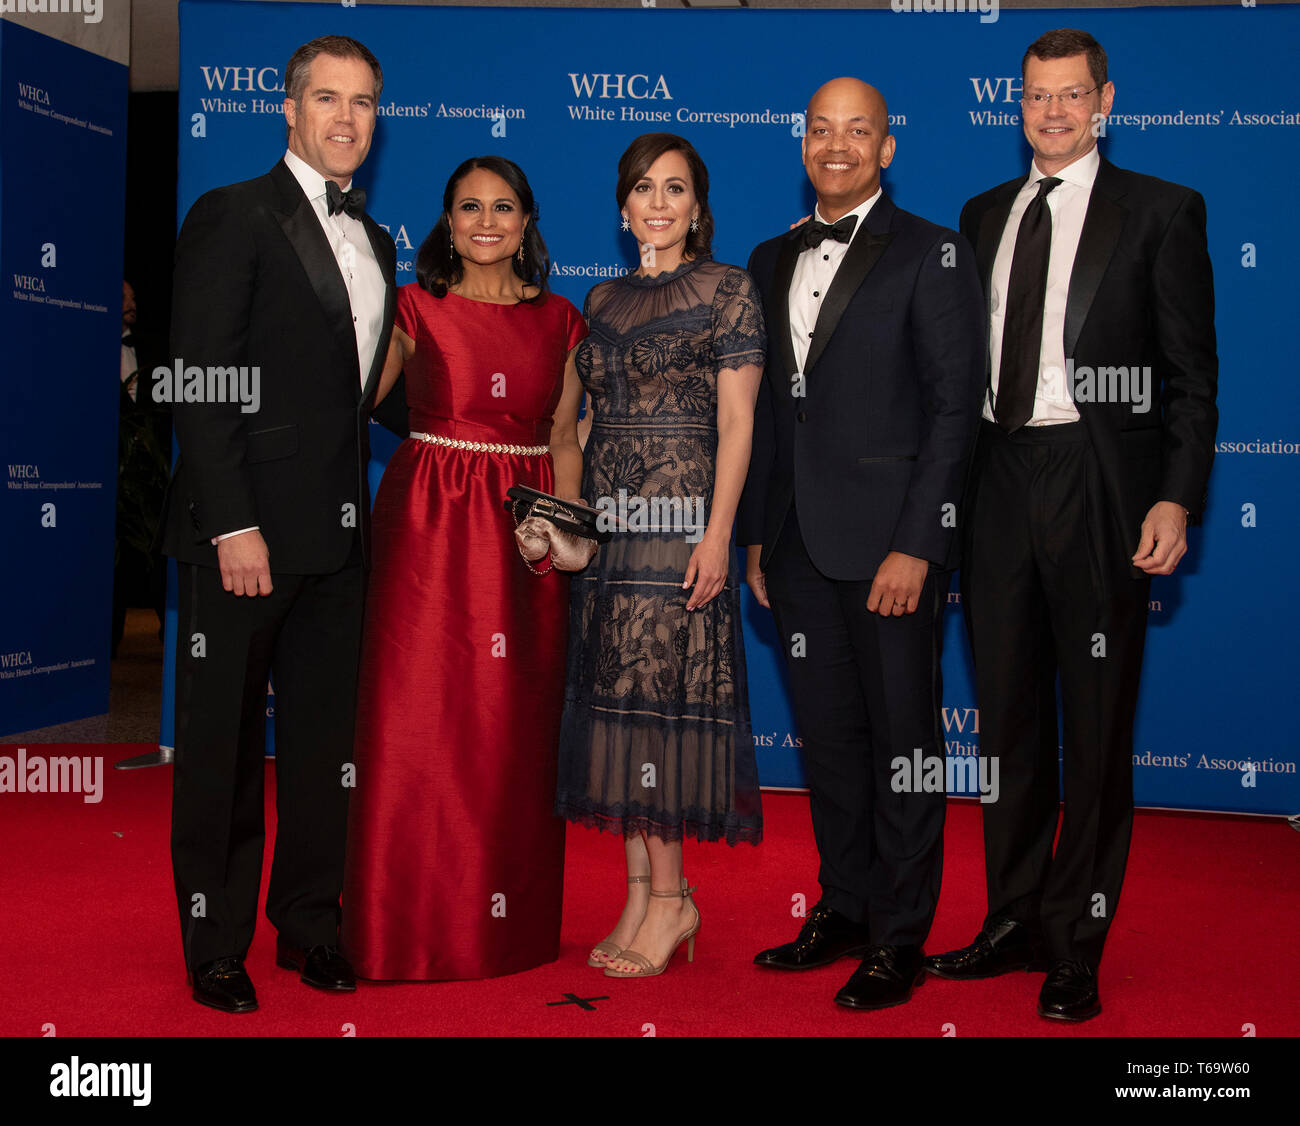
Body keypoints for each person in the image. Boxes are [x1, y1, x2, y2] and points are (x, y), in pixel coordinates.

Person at [925, 29, 1217, 1022]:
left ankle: (1077, 940)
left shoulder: (1161, 211)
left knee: (1092, 729)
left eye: (1070, 95)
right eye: (1035, 96)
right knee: (1004, 718)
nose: (1051, 112)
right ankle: (1013, 920)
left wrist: (1174, 495)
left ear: (1104, 101)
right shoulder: (980, 214)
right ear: (1016, 104)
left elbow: (1191, 378)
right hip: (997, 474)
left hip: (1099, 483)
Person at [157, 34, 396, 1012]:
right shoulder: (233, 214)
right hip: (243, 537)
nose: (347, 119)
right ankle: (215, 944)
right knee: (218, 751)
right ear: (289, 110)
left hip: (338, 540)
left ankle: (309, 925)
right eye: (328, 99)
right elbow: (200, 379)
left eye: (365, 103)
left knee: (319, 746)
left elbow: (366, 397)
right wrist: (231, 524)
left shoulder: (378, 243)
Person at [737, 78, 985, 1011]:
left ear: (887, 148)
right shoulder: (768, 257)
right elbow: (764, 418)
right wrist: (759, 538)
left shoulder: (934, 253)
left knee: (904, 745)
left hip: (891, 550)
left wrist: (919, 543)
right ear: (801, 142)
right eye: (819, 129)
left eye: (858, 131)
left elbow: (956, 412)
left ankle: (899, 938)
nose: (835, 145)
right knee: (832, 744)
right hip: (796, 548)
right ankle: (842, 906)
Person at [340, 156, 587, 981]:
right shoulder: (413, 306)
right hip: (430, 521)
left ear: (528, 220)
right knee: (416, 715)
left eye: (505, 206)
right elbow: (357, 390)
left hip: (523, 530)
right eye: (469, 207)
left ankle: (503, 930)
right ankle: (401, 925)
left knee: (506, 725)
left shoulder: (562, 320)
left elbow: (560, 438)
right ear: (446, 222)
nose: (488, 221)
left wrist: (560, 534)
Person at [556, 133, 765, 979]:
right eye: (644, 187)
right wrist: (566, 515)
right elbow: (572, 423)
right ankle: (641, 892)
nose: (658, 202)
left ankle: (675, 899)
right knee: (620, 707)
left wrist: (718, 533)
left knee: (662, 709)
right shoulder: (598, 300)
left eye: (675, 188)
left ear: (697, 207)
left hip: (681, 531)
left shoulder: (729, 290)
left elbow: (741, 423)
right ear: (622, 206)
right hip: (612, 534)